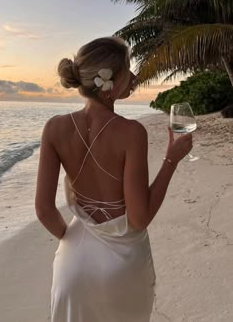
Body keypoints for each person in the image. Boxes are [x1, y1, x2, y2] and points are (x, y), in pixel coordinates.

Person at [35, 36, 193, 322]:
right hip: (121, 263)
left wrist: (76, 240)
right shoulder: (131, 133)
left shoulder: (54, 128)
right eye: (127, 70)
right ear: (108, 82)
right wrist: (172, 159)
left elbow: (44, 210)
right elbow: (139, 217)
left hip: (73, 263)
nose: (133, 77)